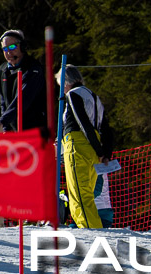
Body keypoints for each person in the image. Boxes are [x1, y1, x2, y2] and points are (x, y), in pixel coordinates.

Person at [56, 64, 114, 228]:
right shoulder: (94, 97)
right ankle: (91, 229)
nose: (62, 89)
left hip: (77, 145)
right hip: (92, 149)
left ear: (66, 82)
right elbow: (106, 129)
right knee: (86, 193)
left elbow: (83, 123)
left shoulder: (72, 95)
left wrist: (99, 150)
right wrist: (105, 153)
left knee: (79, 196)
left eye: (61, 85)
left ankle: (92, 233)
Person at [0, 29, 47, 132]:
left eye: (12, 47)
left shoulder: (33, 69)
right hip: (13, 131)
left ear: (22, 46)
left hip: (34, 131)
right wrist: (5, 128)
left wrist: (2, 121)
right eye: (5, 49)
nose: (9, 52)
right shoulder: (2, 71)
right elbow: (4, 103)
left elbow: (23, 99)